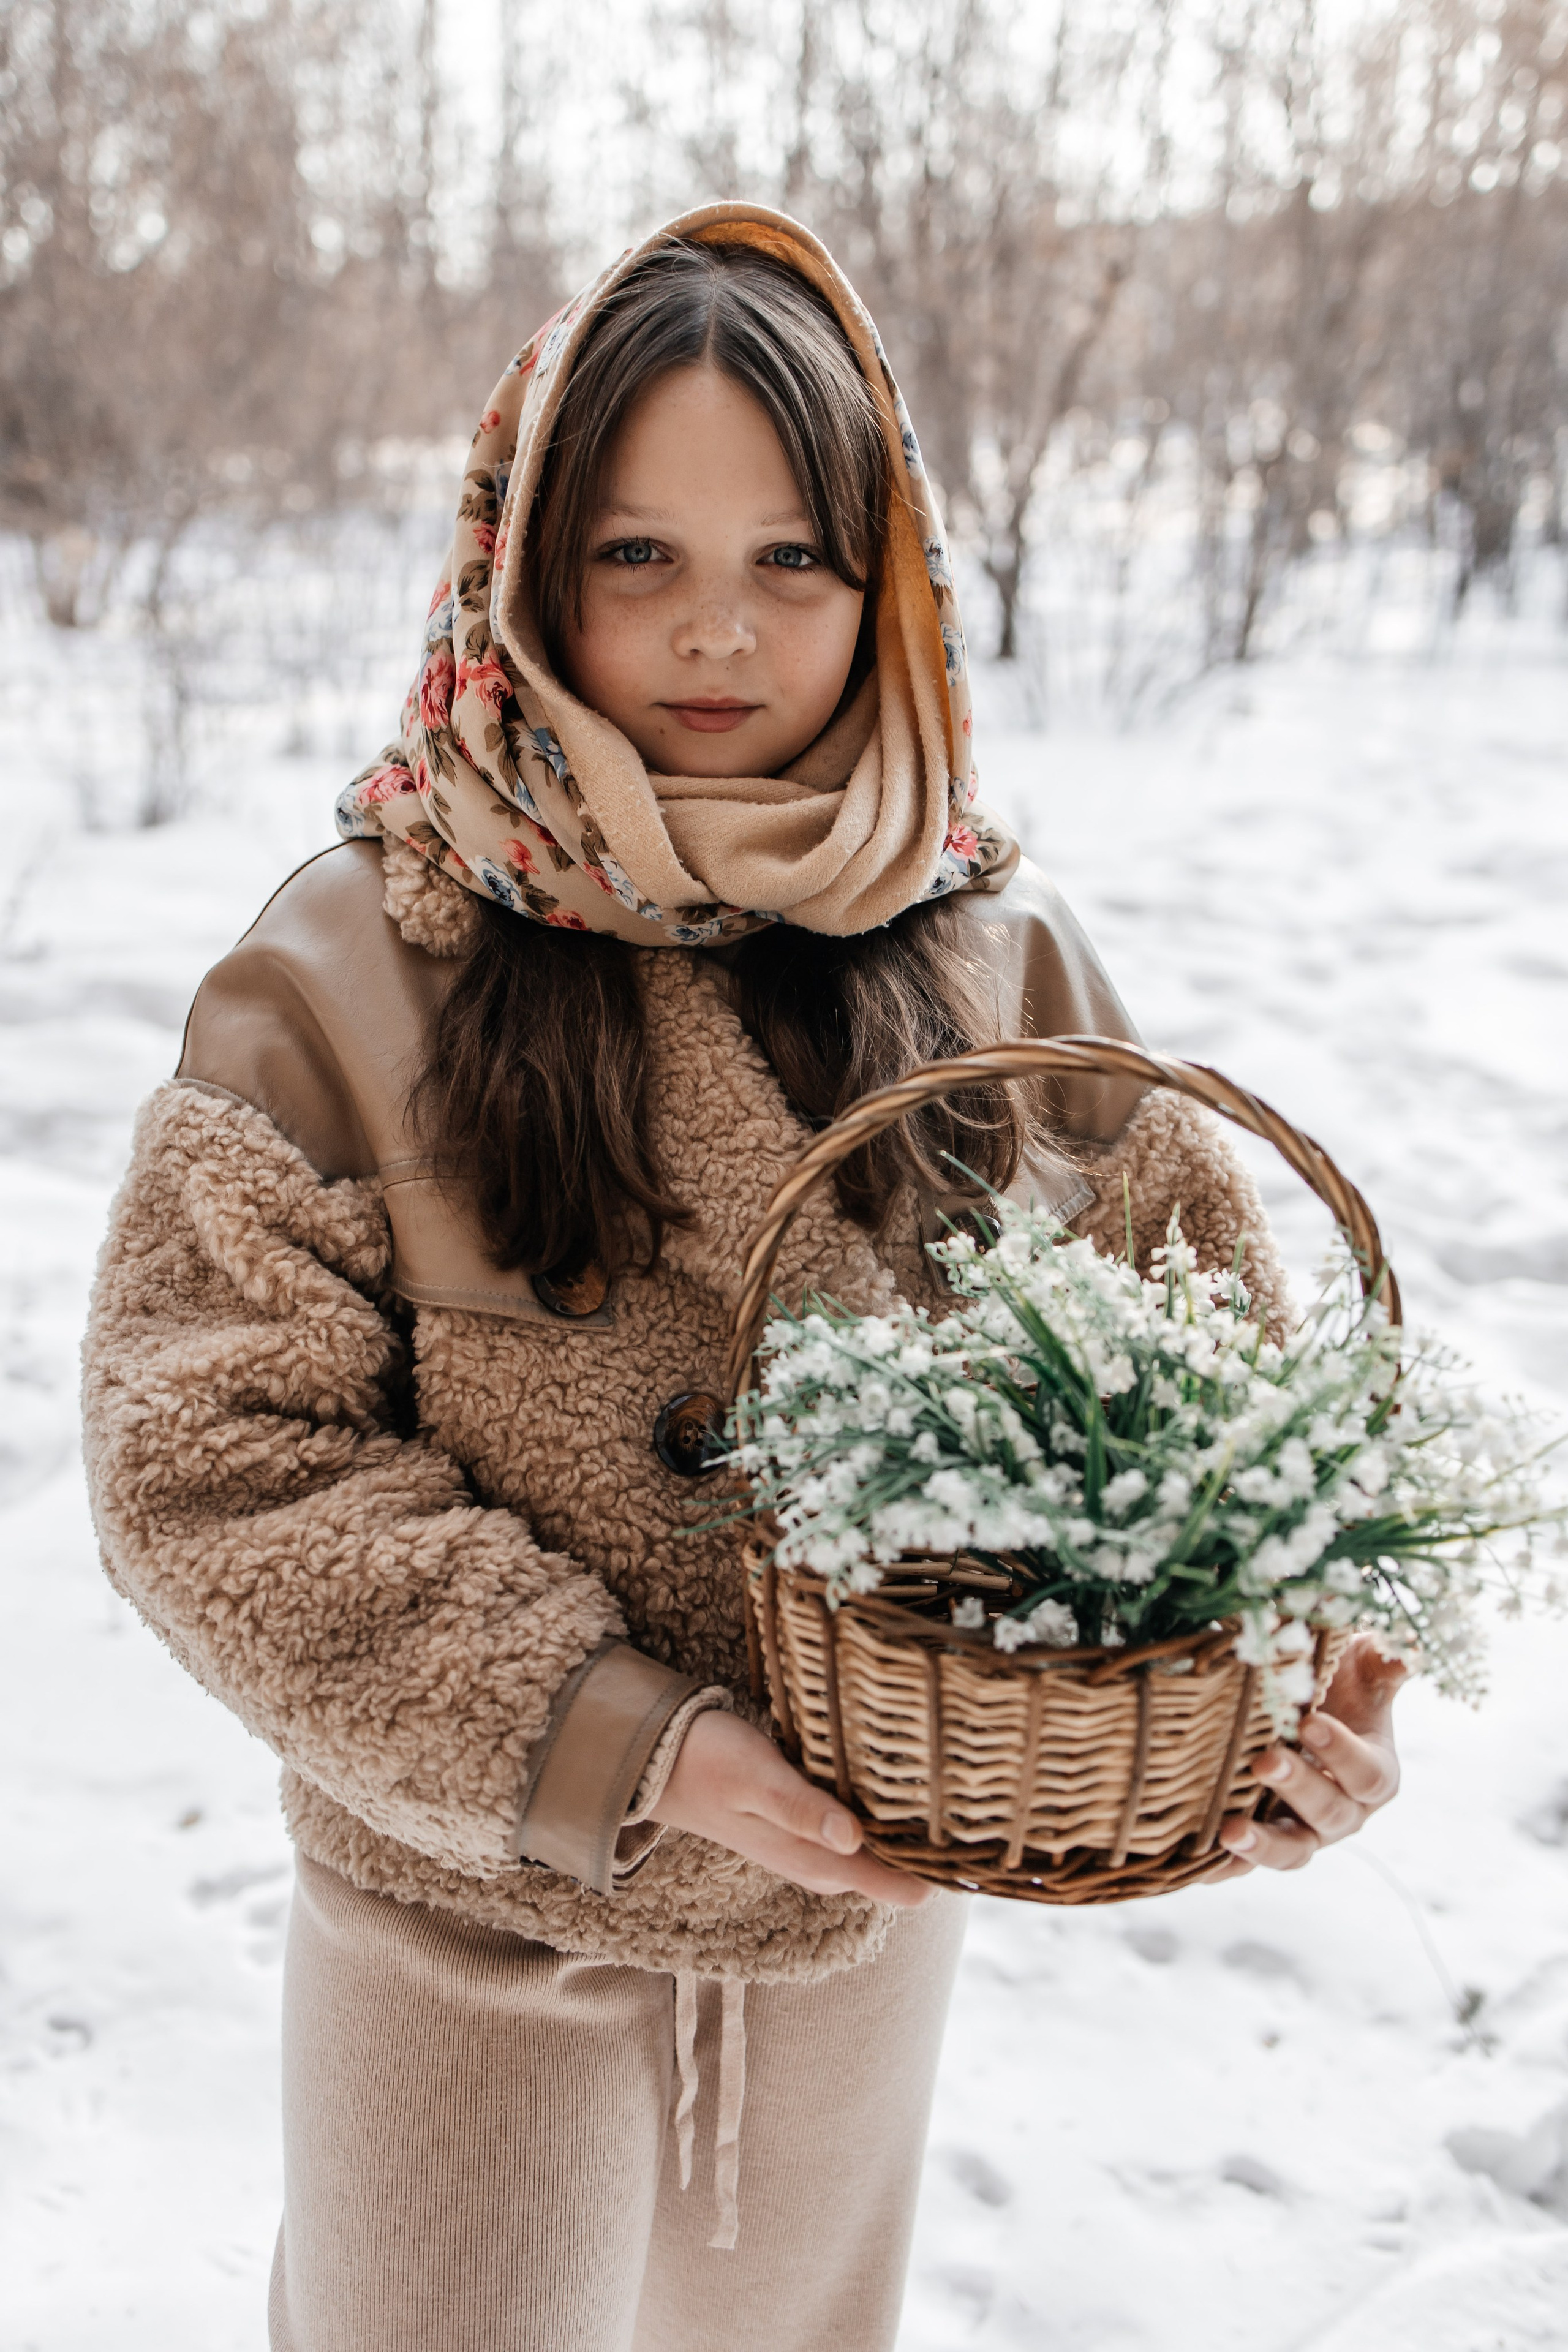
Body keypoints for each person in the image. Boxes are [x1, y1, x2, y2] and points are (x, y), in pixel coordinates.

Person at [82, 204, 1403, 2352]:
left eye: (794, 557)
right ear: (529, 567)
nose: (720, 632)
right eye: (638, 556)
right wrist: (629, 1741)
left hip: (862, 1925)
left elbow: (1217, 1412)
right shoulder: (351, 960)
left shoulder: (998, 956)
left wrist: (1270, 1689)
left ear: (887, 582)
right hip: (473, 1917)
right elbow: (212, 1462)